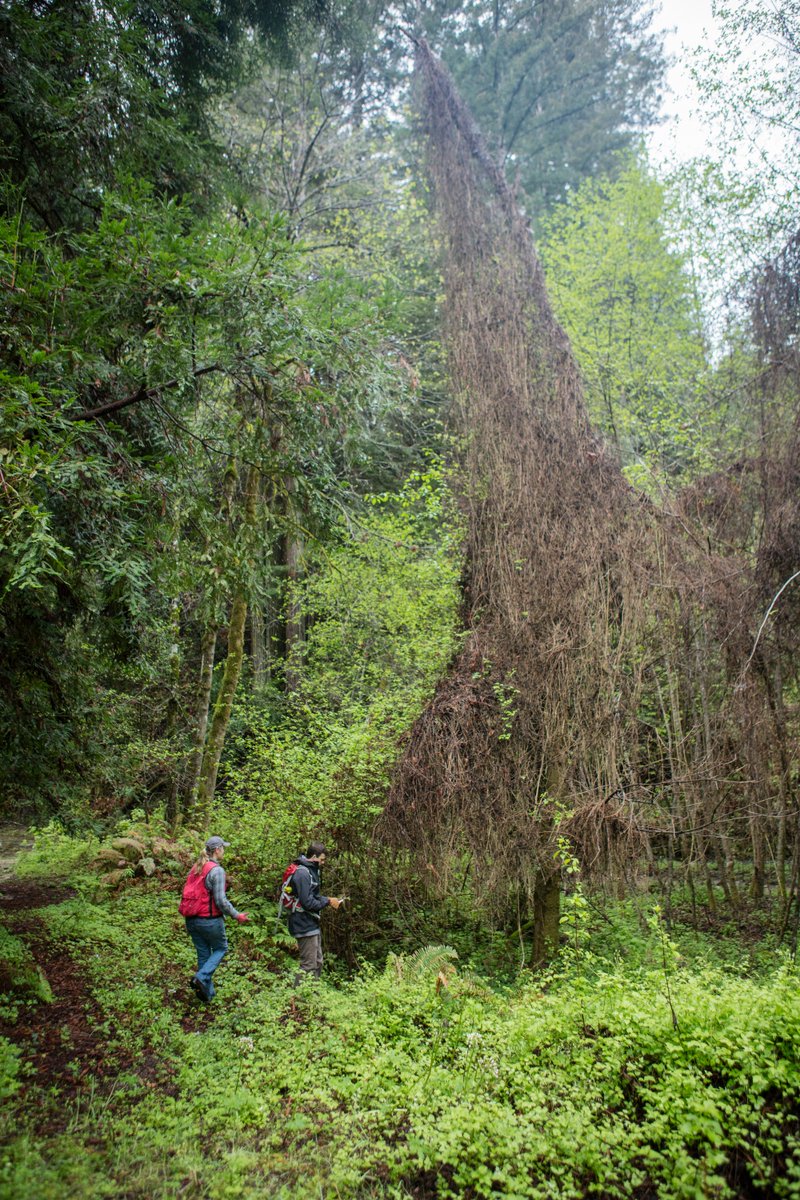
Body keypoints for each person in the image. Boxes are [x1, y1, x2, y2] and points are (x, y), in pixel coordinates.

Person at [179, 835, 249, 1002]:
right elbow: (220, 900)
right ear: (217, 850)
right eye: (223, 848)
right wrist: (236, 915)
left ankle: (207, 995)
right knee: (221, 948)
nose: (224, 851)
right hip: (209, 920)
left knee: (204, 955)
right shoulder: (216, 870)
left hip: (191, 920)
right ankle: (201, 977)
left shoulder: (197, 867)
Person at [286, 841, 342, 983]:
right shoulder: (302, 874)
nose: (323, 863)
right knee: (308, 965)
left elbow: (314, 897)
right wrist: (328, 901)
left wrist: (328, 899)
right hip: (302, 922)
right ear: (314, 856)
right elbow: (308, 903)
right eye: (322, 859)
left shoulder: (312, 870)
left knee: (318, 961)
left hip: (311, 922)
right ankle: (298, 999)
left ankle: (313, 996)